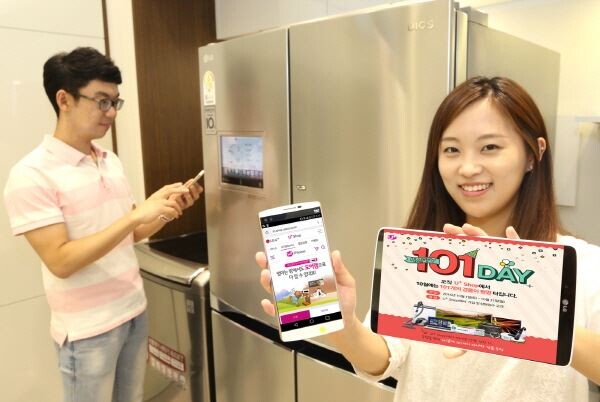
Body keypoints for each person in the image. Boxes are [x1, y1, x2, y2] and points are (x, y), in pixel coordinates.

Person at [256, 76, 600, 401]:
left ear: (533, 154)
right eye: (451, 150)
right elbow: (385, 358)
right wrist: (342, 325)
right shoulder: (421, 256)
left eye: (490, 147)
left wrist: (532, 308)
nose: (467, 168)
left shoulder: (582, 266)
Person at [3, 47, 202, 402]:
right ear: (64, 99)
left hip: (134, 311)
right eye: (101, 101)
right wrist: (134, 216)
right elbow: (61, 261)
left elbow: (132, 233)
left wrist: (165, 210)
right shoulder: (31, 175)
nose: (111, 112)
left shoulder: (110, 161)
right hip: (87, 331)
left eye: (115, 102)